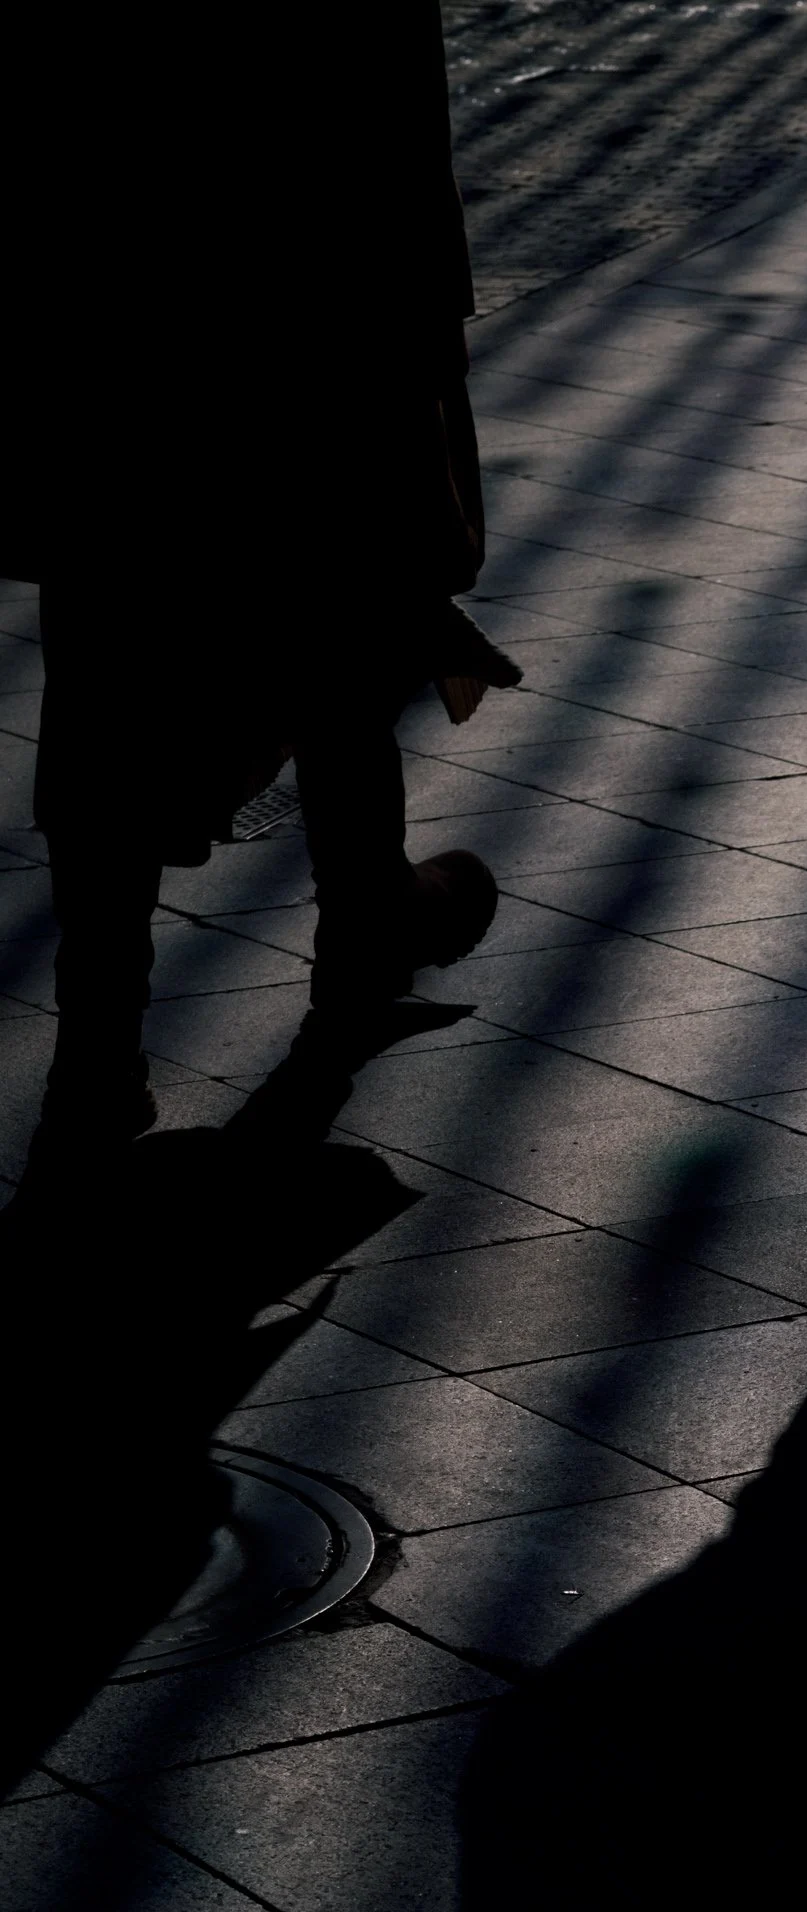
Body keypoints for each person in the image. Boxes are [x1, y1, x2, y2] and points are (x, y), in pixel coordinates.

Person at [3, 4, 517, 1181]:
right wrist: (428, 352)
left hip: (108, 295)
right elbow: (390, 134)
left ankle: (97, 1060)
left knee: (111, 653)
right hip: (314, 291)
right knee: (342, 599)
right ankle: (364, 930)